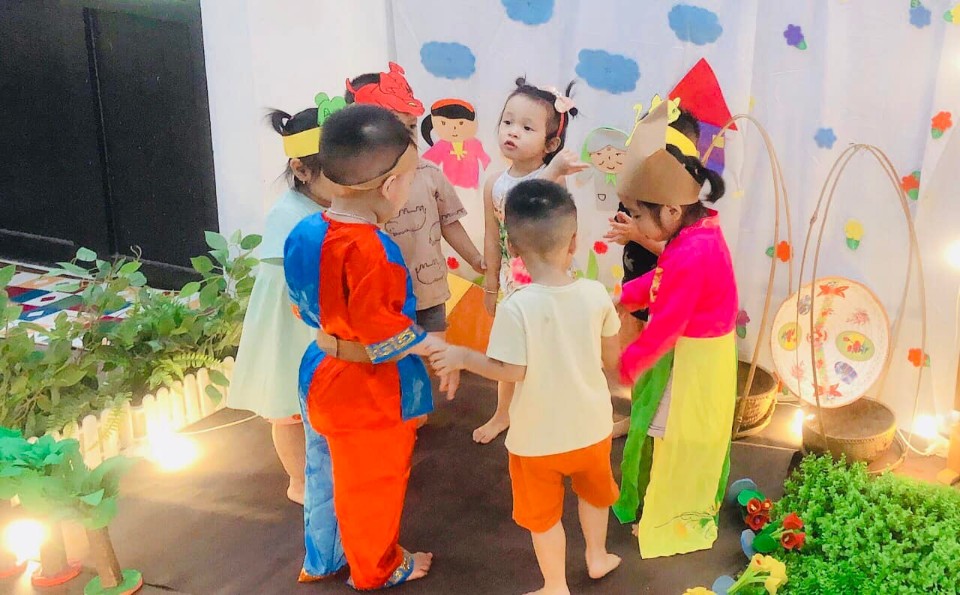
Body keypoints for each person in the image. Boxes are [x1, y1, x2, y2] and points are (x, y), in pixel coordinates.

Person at [285, 104, 452, 589]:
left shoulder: (305, 230)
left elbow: (299, 305)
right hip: (365, 387)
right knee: (372, 484)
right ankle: (376, 568)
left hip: (319, 365)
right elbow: (385, 332)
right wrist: (435, 349)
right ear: (391, 185)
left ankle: (324, 557)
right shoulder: (375, 250)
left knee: (324, 471)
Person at [431, 179, 622, 595]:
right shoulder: (595, 294)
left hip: (537, 441)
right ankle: (597, 556)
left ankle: (555, 585)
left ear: (513, 249)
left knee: (544, 516)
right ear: (574, 241)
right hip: (592, 429)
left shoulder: (517, 307)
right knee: (595, 496)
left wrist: (463, 357)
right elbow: (612, 361)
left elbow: (510, 372)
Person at [612, 100, 738, 559]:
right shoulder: (694, 234)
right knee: (665, 431)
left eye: (638, 215)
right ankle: (657, 503)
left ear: (669, 210)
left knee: (675, 437)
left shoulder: (691, 251)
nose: (635, 224)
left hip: (693, 363)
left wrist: (625, 365)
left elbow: (665, 325)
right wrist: (621, 297)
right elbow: (660, 281)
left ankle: (668, 515)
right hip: (691, 353)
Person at [476, 77, 589, 444]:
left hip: (549, 280)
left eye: (527, 127)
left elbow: (538, 207)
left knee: (549, 349)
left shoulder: (553, 180)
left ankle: (554, 411)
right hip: (512, 282)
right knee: (508, 350)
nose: (512, 131)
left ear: (550, 143)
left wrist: (554, 172)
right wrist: (490, 285)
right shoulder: (493, 182)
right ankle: (502, 413)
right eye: (507, 122)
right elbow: (492, 236)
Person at [345, 64, 484, 342]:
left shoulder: (429, 174)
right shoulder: (356, 186)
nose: (407, 138)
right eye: (396, 129)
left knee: (434, 356)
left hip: (428, 294)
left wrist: (475, 259)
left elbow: (449, 222)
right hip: (382, 299)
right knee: (390, 360)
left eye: (411, 127)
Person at [604, 109, 701, 347]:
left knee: (659, 341)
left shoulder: (682, 208)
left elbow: (677, 256)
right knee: (628, 332)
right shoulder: (634, 191)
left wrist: (636, 235)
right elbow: (623, 235)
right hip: (634, 277)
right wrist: (624, 233)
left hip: (665, 289)